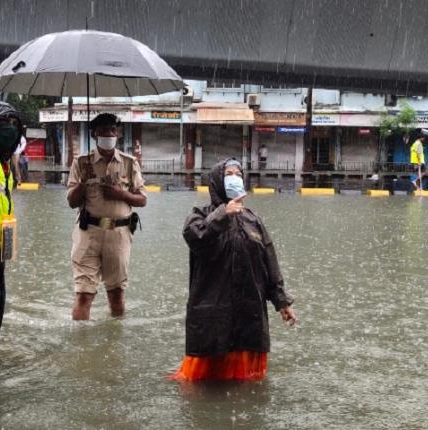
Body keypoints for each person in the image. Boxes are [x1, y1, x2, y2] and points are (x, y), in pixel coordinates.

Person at [171, 158, 296, 381]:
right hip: (214, 310)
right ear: (217, 180)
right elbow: (195, 237)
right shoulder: (200, 214)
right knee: (199, 384)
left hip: (249, 312)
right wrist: (222, 215)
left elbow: (269, 262)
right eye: (229, 174)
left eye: (238, 174)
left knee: (247, 383)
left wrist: (282, 302)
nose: (235, 178)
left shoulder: (253, 220)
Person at [67, 113, 147, 320]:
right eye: (103, 131)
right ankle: (80, 345)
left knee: (117, 294)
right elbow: (72, 202)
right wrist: (83, 183)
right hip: (88, 233)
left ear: (117, 134)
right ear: (94, 135)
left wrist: (121, 194)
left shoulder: (129, 164)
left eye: (112, 130)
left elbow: (142, 200)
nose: (108, 134)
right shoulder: (81, 162)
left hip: (119, 234)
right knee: (84, 295)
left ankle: (115, 340)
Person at [0, 101, 23, 339]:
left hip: (1, 249)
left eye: (14, 124)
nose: (10, 129)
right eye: (4, 123)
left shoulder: (4, 166)